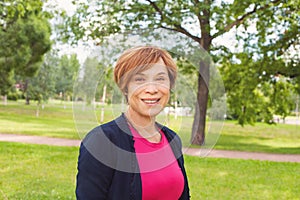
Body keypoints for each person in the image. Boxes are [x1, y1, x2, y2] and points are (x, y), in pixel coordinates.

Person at [76, 46, 190, 200]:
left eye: (160, 78)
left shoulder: (173, 140)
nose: (151, 89)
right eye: (140, 79)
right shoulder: (102, 141)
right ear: (125, 88)